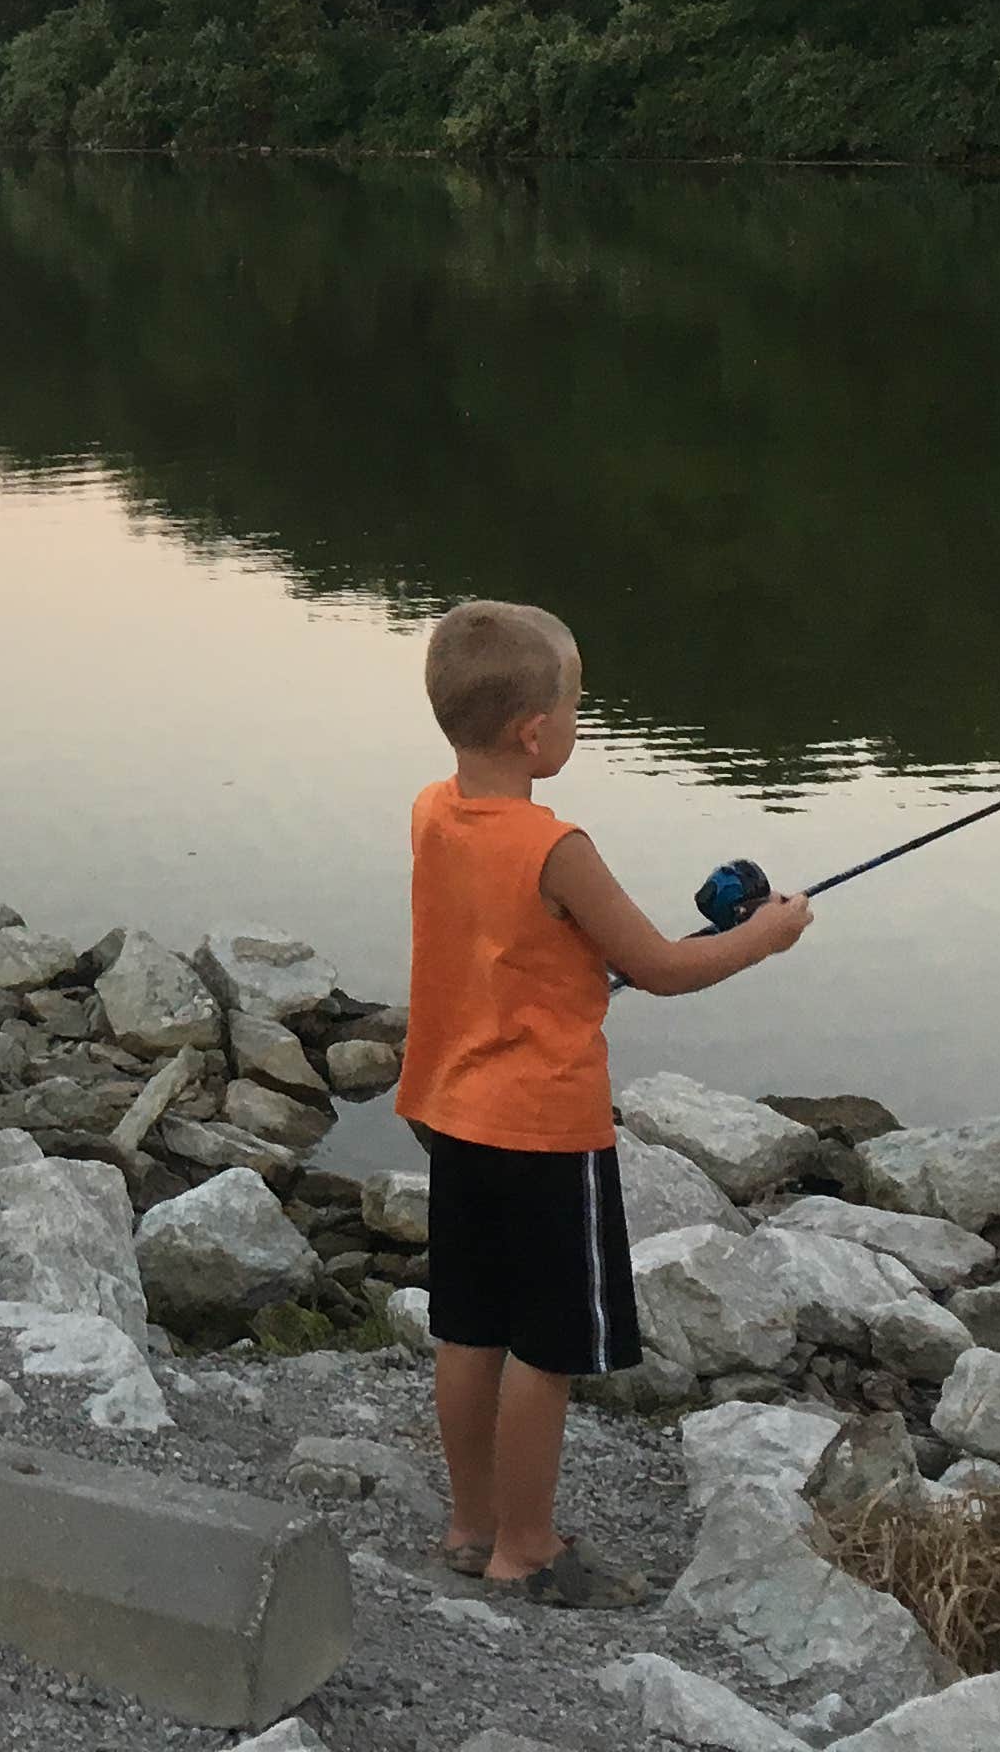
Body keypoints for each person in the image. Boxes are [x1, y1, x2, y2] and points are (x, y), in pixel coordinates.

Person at [397, 598, 808, 1604]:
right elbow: (661, 966)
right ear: (536, 733)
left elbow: (517, 946)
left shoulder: (432, 812)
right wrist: (767, 934)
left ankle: (468, 1522)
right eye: (577, 705)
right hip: (545, 1132)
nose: (580, 720)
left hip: (451, 1112)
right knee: (547, 1347)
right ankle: (527, 1547)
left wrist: (573, 966)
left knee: (470, 1329)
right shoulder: (557, 846)